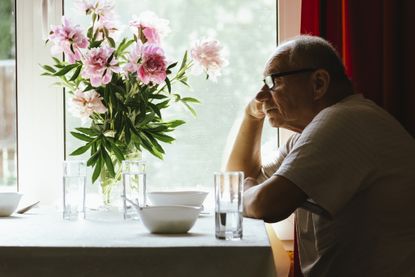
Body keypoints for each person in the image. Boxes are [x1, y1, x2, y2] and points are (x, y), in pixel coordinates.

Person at [225, 35, 415, 277]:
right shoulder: (311, 134)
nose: (262, 95)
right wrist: (251, 116)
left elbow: (266, 205)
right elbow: (238, 181)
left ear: (318, 83)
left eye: (272, 81)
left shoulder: (346, 119)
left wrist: (245, 193)